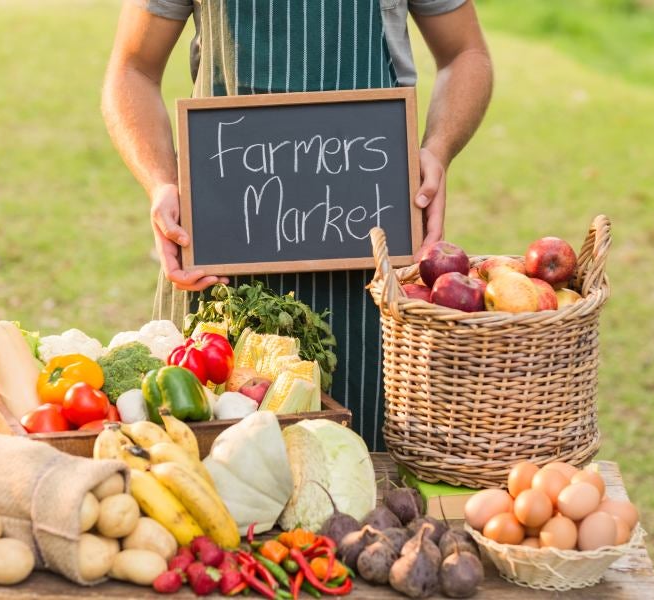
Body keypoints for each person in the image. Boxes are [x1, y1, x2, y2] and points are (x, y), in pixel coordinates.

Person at [102, 0, 493, 450]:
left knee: (368, 488)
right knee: (206, 476)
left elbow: (466, 53)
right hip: (218, 255)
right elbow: (133, 68)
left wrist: (437, 149)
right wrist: (161, 183)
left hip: (365, 270)